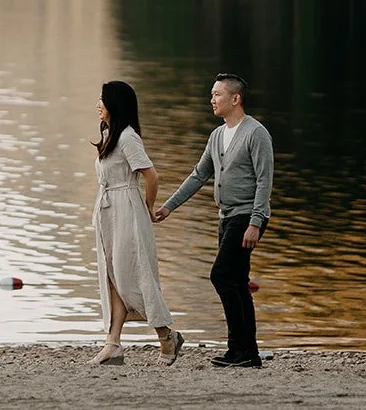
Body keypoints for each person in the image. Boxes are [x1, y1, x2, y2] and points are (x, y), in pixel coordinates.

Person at [152, 72, 274, 368]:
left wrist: (256, 222)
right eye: (211, 94)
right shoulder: (217, 135)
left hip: (246, 217)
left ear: (235, 99)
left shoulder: (256, 133)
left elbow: (264, 180)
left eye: (217, 94)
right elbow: (199, 174)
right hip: (226, 216)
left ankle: (239, 349)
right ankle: (249, 353)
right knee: (238, 282)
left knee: (221, 276)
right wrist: (169, 207)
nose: (212, 99)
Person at [89, 80, 185, 366]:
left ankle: (167, 334)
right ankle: (113, 344)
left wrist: (148, 207)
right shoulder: (110, 134)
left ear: (115, 104)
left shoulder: (128, 137)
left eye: (102, 100)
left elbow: (151, 175)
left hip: (127, 210)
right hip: (108, 210)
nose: (98, 104)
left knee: (132, 275)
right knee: (112, 276)